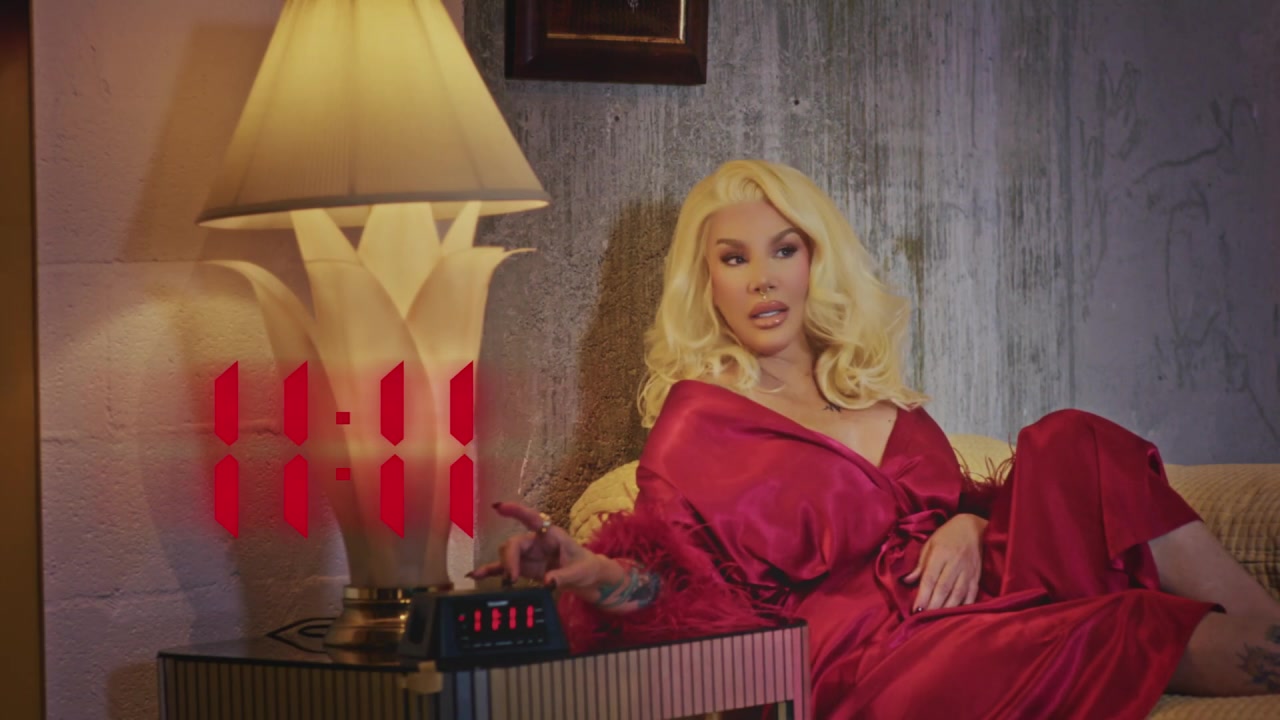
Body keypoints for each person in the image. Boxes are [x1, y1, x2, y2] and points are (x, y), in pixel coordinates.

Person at [472, 159, 1280, 718]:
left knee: (1075, 442)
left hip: (978, 586)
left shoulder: (867, 387)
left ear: (814, 262)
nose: (763, 277)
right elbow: (681, 592)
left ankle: (1259, 614)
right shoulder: (697, 424)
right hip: (875, 655)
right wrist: (593, 573)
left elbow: (959, 504)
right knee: (1122, 620)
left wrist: (969, 524)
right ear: (707, 281)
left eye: (784, 250)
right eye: (734, 258)